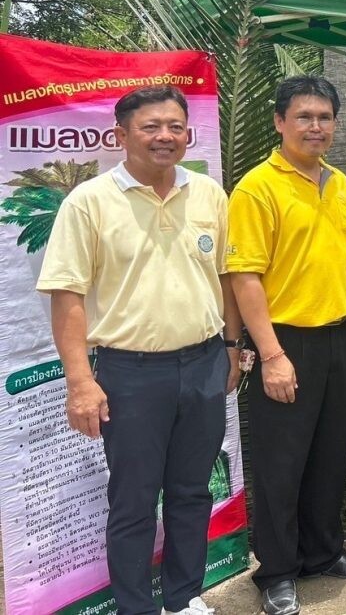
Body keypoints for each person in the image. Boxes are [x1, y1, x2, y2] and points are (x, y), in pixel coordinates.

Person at [37, 87, 240, 615]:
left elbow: (226, 278)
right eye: (151, 127)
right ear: (121, 135)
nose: (165, 136)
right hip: (129, 374)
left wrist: (233, 348)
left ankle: (182, 599)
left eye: (175, 126)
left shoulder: (208, 195)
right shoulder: (90, 201)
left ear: (188, 134)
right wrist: (80, 381)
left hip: (203, 363)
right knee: (132, 502)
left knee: (193, 492)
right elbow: (67, 296)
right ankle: (135, 608)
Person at [227, 77, 346, 615]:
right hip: (286, 341)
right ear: (279, 121)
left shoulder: (340, 182)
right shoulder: (257, 188)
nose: (316, 127)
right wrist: (270, 354)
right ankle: (276, 572)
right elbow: (244, 276)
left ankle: (323, 553)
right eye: (304, 117)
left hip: (340, 336)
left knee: (328, 455)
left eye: (324, 117)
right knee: (280, 463)